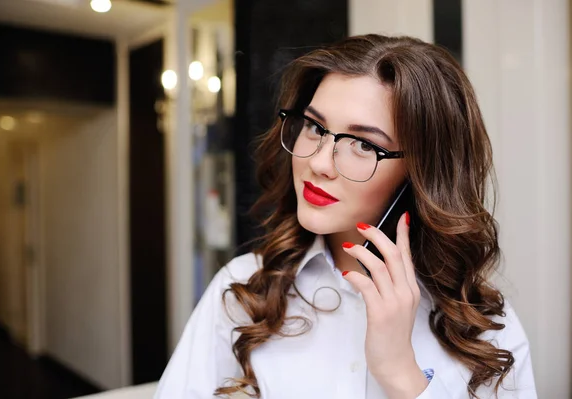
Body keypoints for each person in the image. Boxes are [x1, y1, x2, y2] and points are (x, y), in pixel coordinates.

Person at [154, 34, 537, 399]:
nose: (318, 162)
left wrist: (402, 376)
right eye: (314, 127)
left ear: (423, 174)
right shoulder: (243, 291)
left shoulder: (483, 327)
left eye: (362, 144)